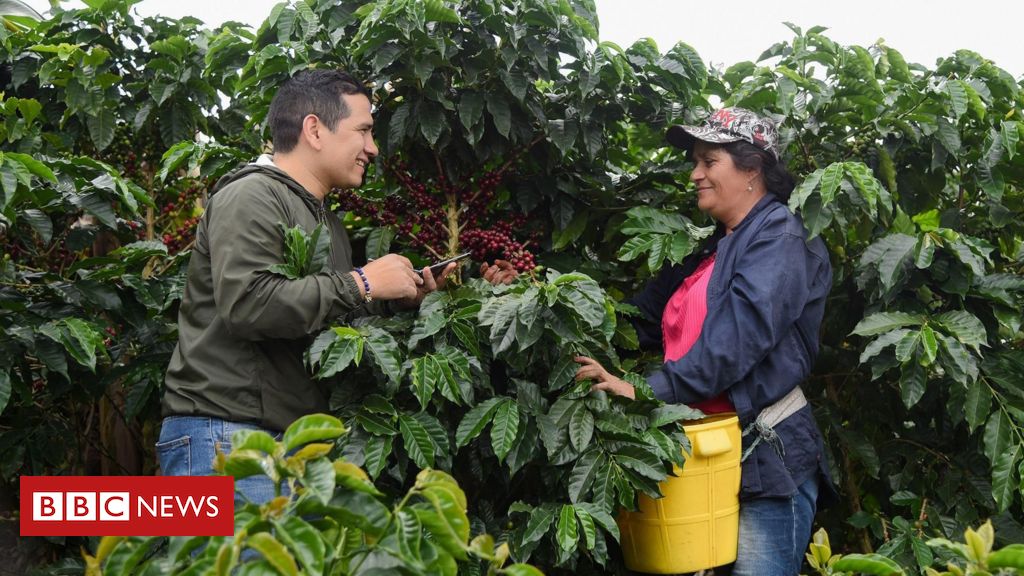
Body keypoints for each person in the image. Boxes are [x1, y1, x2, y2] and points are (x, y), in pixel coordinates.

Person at [156, 70, 512, 502]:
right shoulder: (250, 195)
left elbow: (327, 315)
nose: (372, 148)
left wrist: (403, 297)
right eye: (363, 130)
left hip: (287, 444)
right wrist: (363, 281)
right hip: (229, 439)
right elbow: (249, 305)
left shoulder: (327, 223)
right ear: (314, 129)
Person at [575, 107, 833, 576]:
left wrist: (647, 392)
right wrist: (540, 301)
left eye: (708, 162)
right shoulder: (711, 247)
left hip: (763, 456)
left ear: (752, 167)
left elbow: (736, 342)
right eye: (695, 162)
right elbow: (634, 321)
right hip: (699, 453)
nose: (695, 174)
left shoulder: (782, 239)